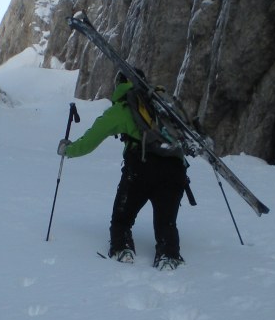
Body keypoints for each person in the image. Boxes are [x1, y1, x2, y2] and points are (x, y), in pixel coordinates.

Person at [57, 71, 188, 269]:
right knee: (166, 223)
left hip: (141, 170)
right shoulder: (161, 106)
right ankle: (169, 256)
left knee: (122, 219)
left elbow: (90, 140)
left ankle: (122, 249)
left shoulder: (123, 108)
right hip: (175, 169)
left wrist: (68, 150)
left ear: (118, 84)